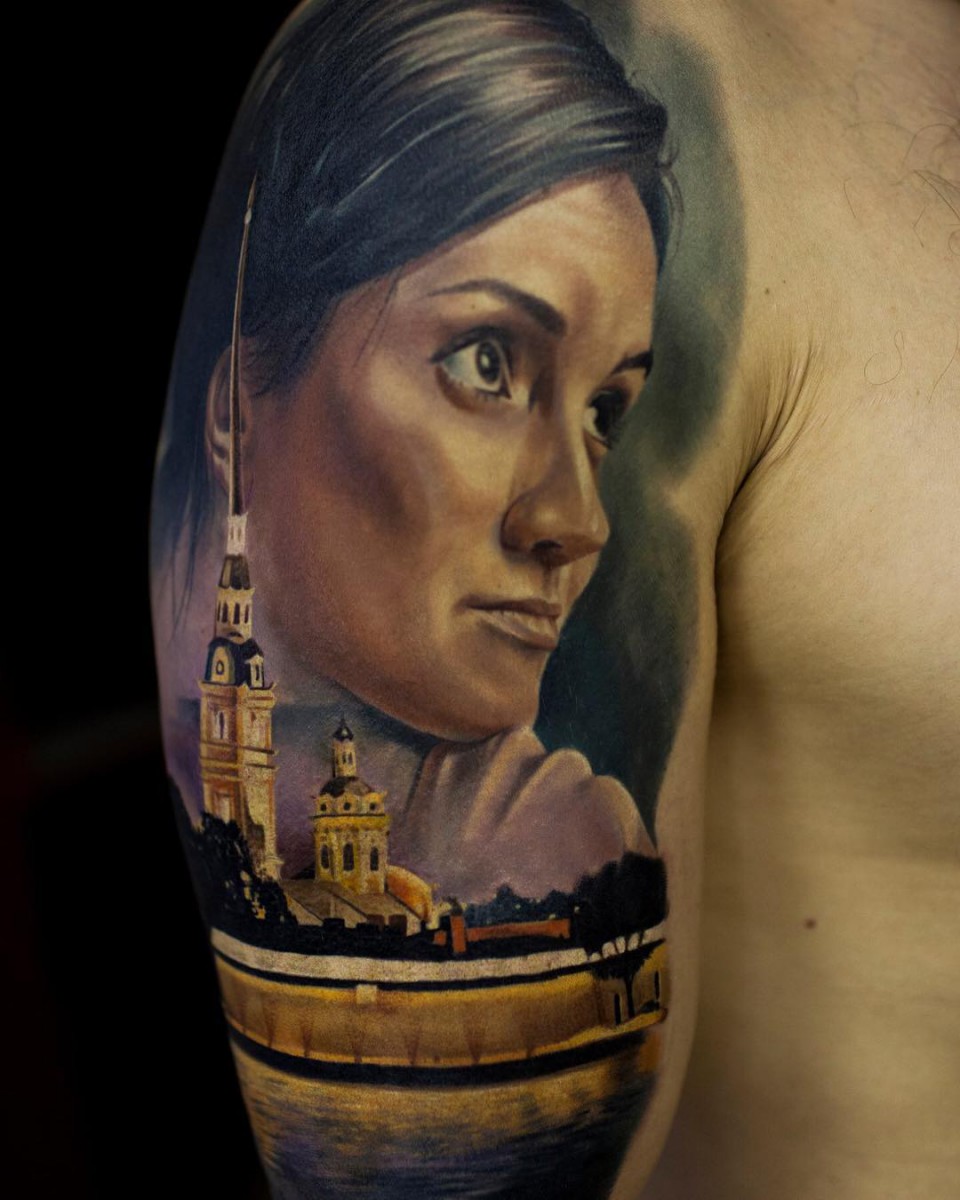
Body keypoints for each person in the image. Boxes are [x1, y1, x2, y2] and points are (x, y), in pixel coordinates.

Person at [152, 0, 674, 905]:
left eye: (604, 411)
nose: (580, 522)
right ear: (236, 416)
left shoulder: (535, 835)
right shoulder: (526, 845)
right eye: (485, 362)